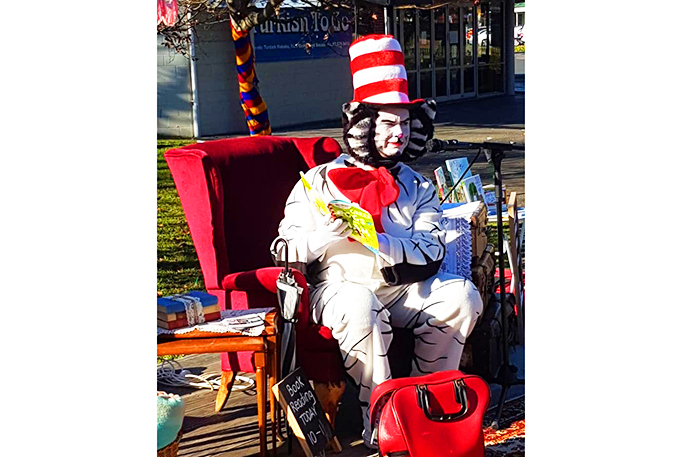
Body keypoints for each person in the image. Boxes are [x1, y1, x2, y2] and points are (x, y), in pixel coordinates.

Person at [271, 34, 483, 448]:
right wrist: (322, 237)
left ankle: (423, 407)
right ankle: (382, 419)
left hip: (400, 287)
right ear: (364, 125)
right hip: (337, 287)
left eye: (405, 123)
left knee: (462, 295)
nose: (398, 133)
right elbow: (282, 250)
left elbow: (433, 248)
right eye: (388, 123)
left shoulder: (418, 186)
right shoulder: (318, 182)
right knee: (359, 304)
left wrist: (382, 242)